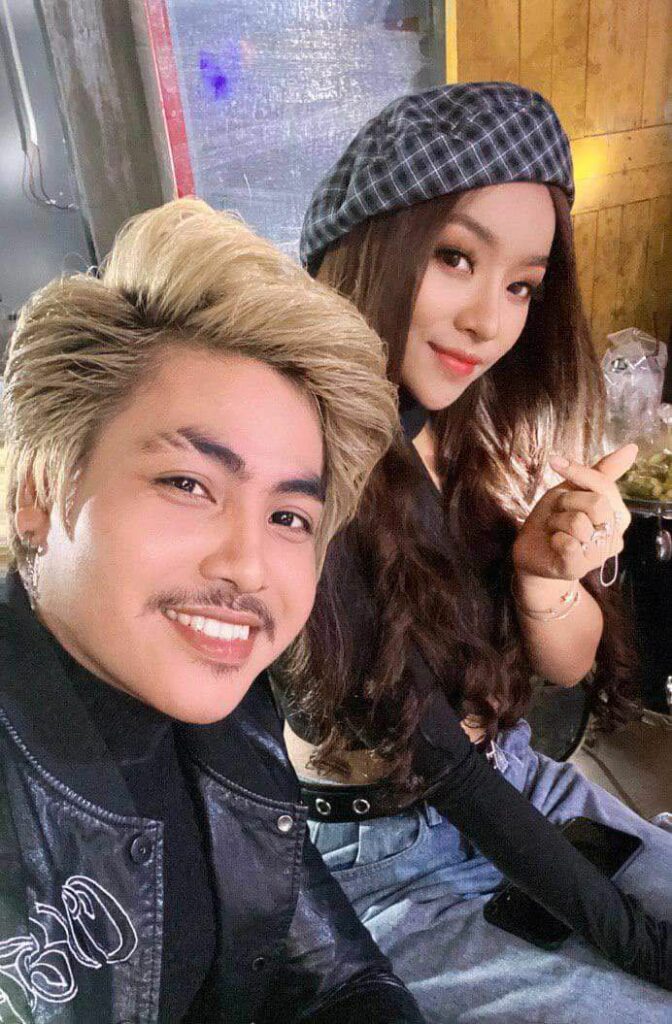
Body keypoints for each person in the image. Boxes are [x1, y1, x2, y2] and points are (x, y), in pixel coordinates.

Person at [276, 82, 672, 1022]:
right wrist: (645, 947)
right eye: (456, 258)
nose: (489, 322)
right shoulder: (299, 466)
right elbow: (444, 769)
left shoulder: (456, 426)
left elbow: (564, 673)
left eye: (522, 285)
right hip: (387, 864)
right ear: (366, 248)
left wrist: (544, 577)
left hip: (519, 784)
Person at [0, 198, 426, 1024]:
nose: (248, 566)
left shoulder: (229, 720)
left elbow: (336, 977)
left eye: (289, 517)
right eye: (188, 484)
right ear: (40, 494)